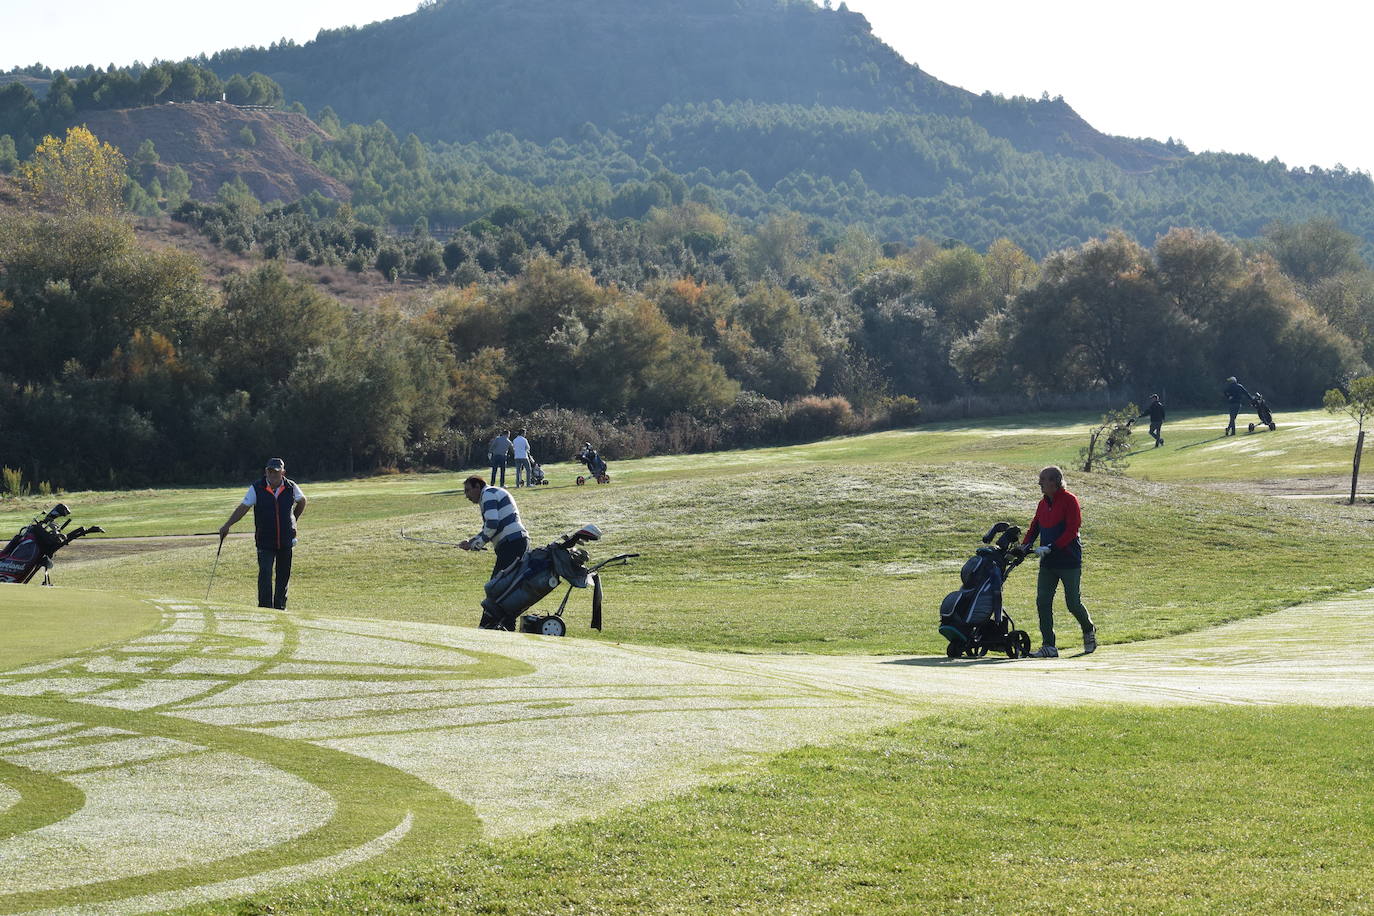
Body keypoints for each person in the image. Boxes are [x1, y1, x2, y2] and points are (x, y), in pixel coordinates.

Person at [1020, 466, 1096, 658]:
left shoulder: (1070, 500)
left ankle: (1088, 630)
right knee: (1043, 601)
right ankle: (1049, 646)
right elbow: (1034, 528)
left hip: (1068, 560)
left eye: (1043, 480)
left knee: (1073, 603)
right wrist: (1024, 546)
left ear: (1055, 481)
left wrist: (1051, 547)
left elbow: (1072, 530)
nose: (1040, 483)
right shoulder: (1042, 504)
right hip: (1048, 562)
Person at [219, 457, 307, 610]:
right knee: (265, 574)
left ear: (283, 473)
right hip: (265, 541)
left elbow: (302, 500)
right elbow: (243, 508)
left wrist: (294, 519)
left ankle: (280, 607)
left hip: (286, 540)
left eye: (276, 472)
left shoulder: (291, 487)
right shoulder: (257, 488)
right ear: (266, 471)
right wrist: (227, 525)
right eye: (270, 471)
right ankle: (265, 608)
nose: (272, 475)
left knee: (283, 576)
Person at [457, 475, 530, 628]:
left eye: (468, 490)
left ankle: (487, 626)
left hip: (512, 544)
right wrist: (471, 542)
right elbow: (489, 528)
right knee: (506, 588)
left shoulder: (488, 494)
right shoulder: (492, 493)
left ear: (478, 486)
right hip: (515, 542)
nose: (467, 495)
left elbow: (492, 525)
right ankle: (504, 625)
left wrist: (476, 544)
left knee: (496, 587)